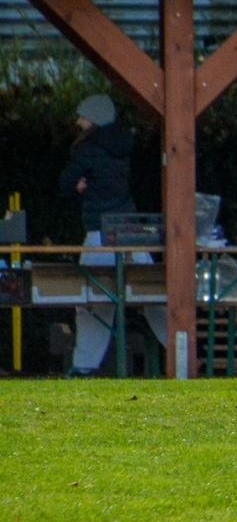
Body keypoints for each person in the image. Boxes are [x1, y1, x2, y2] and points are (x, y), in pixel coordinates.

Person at [56, 93, 168, 376]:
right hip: (132, 230)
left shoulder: (87, 149)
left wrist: (80, 186)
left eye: (82, 117)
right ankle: (184, 353)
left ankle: (84, 366)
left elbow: (65, 184)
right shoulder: (126, 147)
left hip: (99, 233)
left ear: (93, 119)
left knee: (92, 303)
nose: (78, 122)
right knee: (155, 294)